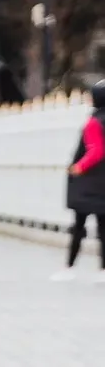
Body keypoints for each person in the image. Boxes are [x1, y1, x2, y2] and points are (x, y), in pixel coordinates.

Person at [68, 85, 105, 268]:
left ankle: (69, 266)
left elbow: (96, 150)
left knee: (78, 226)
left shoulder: (93, 122)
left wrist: (78, 167)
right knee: (103, 227)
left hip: (89, 184)